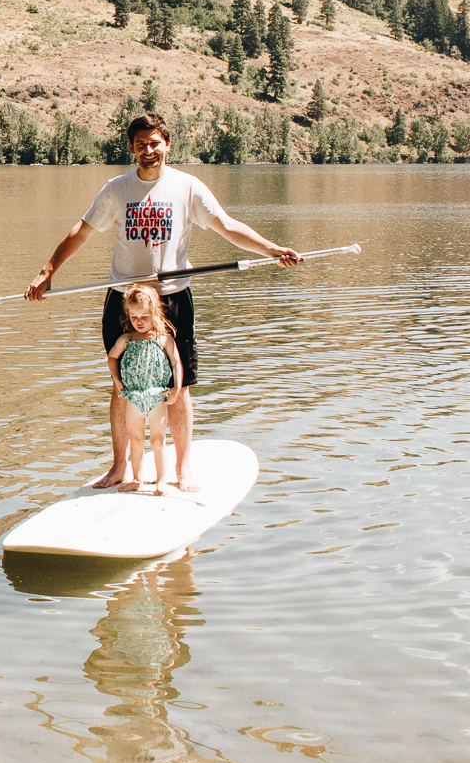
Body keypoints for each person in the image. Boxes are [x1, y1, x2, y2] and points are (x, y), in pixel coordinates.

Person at [25, 111, 300, 492]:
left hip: (172, 300)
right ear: (132, 149)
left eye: (155, 143)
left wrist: (272, 249)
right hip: (124, 300)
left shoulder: (188, 187)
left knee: (180, 385)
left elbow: (228, 226)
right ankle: (119, 467)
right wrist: (48, 269)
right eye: (141, 145)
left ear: (167, 144)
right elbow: (81, 231)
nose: (149, 151)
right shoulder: (117, 189)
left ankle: (184, 469)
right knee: (123, 385)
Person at [109, 283, 182, 495]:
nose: (139, 322)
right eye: (134, 317)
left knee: (158, 440)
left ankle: (161, 480)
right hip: (133, 396)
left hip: (157, 395)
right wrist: (117, 380)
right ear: (128, 314)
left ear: (155, 313)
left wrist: (176, 388)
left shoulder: (163, 339)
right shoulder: (126, 339)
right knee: (136, 439)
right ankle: (137, 478)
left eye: (144, 317)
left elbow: (176, 363)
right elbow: (112, 357)